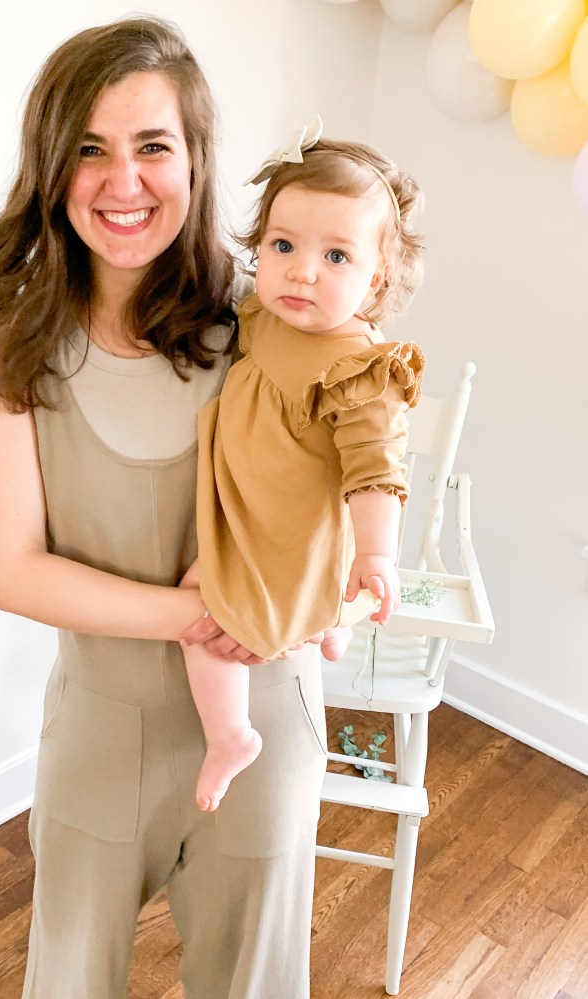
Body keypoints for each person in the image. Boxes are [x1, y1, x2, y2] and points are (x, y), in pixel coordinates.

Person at [0, 16, 334, 999]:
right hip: (102, 731)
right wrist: (201, 612)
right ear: (50, 166)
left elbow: (345, 482)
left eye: (153, 146)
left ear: (195, 158)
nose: (124, 182)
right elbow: (12, 569)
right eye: (89, 150)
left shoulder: (268, 327)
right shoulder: (10, 353)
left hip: (265, 721)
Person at [182, 120, 426, 813]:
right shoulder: (266, 317)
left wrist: (376, 554)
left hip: (282, 537)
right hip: (262, 510)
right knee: (308, 584)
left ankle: (229, 734)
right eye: (282, 245)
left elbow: (376, 473)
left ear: (376, 277)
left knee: (202, 603)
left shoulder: (361, 370)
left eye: (336, 256)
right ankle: (329, 618)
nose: (302, 270)